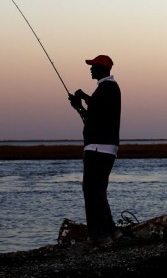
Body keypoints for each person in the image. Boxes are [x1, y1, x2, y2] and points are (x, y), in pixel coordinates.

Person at [68, 54, 122, 246]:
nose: (91, 69)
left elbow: (92, 117)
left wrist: (79, 105)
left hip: (98, 148)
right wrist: (81, 102)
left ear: (103, 68)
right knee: (98, 191)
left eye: (94, 66)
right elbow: (97, 112)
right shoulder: (108, 89)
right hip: (105, 147)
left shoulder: (107, 88)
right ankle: (113, 232)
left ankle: (100, 236)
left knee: (91, 191)